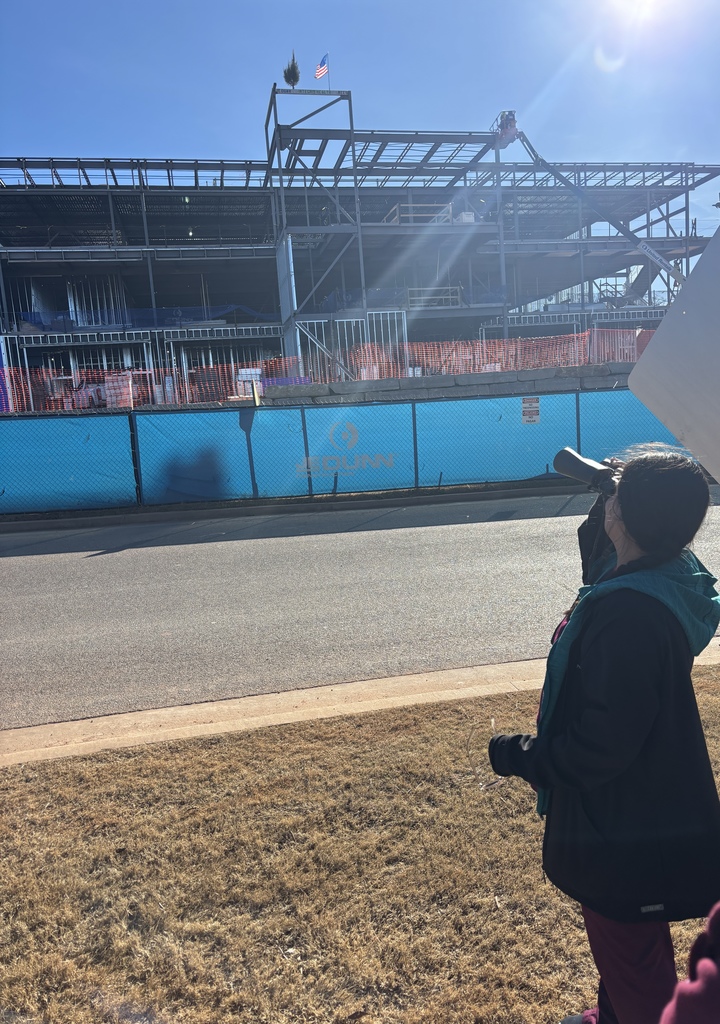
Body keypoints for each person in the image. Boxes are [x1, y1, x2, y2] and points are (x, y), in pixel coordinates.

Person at [487, 450, 720, 1024]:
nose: (606, 505)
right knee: (628, 948)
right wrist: (610, 487)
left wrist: (520, 756)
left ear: (629, 516)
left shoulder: (629, 619)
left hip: (626, 831)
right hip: (645, 815)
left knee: (633, 956)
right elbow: (605, 550)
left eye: (614, 498)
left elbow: (602, 746)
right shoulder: (661, 576)